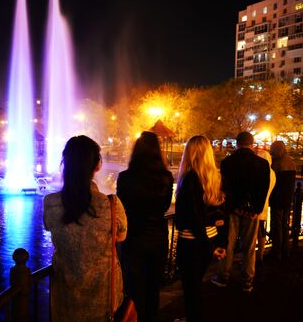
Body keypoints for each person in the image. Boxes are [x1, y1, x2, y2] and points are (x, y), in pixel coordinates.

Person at [44, 135, 128, 321]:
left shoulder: (50, 203)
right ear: (97, 165)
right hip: (103, 298)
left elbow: (49, 226)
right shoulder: (111, 205)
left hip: (66, 297)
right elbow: (121, 237)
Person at [116, 131, 173, 322]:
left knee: (133, 288)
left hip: (133, 238)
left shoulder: (125, 177)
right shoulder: (165, 177)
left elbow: (121, 207)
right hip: (158, 237)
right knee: (153, 287)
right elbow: (165, 206)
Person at [175, 135, 226, 322]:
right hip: (209, 238)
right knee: (196, 284)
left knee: (191, 287)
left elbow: (194, 219)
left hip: (192, 242)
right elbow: (218, 215)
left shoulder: (190, 179)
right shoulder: (213, 177)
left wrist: (210, 246)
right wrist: (217, 244)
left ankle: (191, 318)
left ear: (190, 152)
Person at [211, 132, 269, 293]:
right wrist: (256, 209)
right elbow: (263, 189)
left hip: (232, 209)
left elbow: (225, 187)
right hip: (252, 211)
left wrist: (234, 205)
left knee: (228, 244)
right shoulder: (262, 164)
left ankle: (223, 277)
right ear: (252, 144)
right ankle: (247, 281)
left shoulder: (227, 163)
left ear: (237, 144)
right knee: (249, 246)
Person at [269, 140, 296, 260]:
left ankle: (276, 251)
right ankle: (285, 249)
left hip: (278, 199)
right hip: (287, 199)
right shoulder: (290, 162)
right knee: (284, 225)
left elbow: (274, 183)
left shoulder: (277, 164)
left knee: (277, 225)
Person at [255, 149, 276, 265]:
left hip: (255, 209)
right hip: (264, 208)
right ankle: (261, 255)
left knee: (252, 235)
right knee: (262, 233)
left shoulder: (259, 172)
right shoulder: (272, 173)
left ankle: (252, 257)